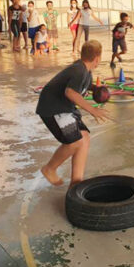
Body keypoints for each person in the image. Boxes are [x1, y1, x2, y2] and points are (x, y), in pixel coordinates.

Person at [36, 40, 109, 187]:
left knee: (84, 137)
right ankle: (49, 169)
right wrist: (93, 110)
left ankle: (76, 182)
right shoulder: (79, 71)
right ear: (97, 59)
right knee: (75, 142)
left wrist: (97, 90)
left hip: (65, 108)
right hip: (53, 108)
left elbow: (86, 86)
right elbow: (70, 92)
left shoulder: (86, 71)